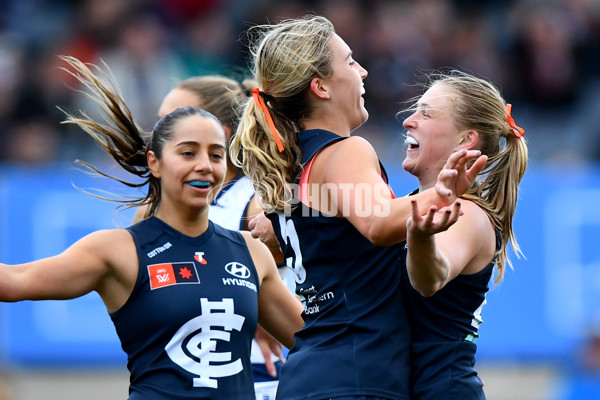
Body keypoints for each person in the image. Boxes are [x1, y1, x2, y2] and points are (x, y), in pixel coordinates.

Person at [0, 56, 304, 400]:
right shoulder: (120, 249)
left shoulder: (252, 247)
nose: (204, 166)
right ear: (154, 161)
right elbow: (15, 282)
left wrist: (249, 311)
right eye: (188, 152)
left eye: (215, 155)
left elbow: (319, 338)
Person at [229, 15, 487, 400]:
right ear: (320, 87)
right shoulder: (346, 150)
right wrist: (439, 195)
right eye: (350, 62)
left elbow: (319, 227)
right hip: (355, 377)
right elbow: (379, 223)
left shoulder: (298, 165)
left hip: (316, 374)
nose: (363, 71)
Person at [132, 75, 287, 399]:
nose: (159, 131)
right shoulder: (151, 211)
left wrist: (251, 309)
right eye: (161, 120)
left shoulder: (256, 199)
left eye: (173, 118)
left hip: (258, 381)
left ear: (219, 135)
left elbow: (329, 215)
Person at [399, 70, 528, 399]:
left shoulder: (466, 214)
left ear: (465, 140)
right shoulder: (406, 209)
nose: (408, 121)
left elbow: (431, 278)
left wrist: (421, 238)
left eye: (426, 113)